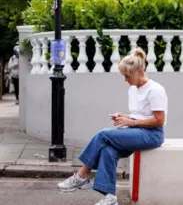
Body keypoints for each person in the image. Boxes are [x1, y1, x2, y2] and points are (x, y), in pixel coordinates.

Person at [57, 47, 168, 205]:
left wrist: (131, 122)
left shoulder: (155, 90)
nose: (126, 80)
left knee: (103, 134)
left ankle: (81, 176)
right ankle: (110, 197)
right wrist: (124, 117)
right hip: (137, 131)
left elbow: (159, 120)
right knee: (108, 151)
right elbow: (139, 114)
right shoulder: (133, 90)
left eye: (127, 76)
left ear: (139, 71)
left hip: (152, 135)